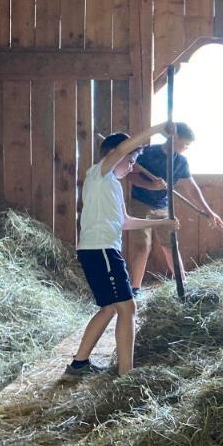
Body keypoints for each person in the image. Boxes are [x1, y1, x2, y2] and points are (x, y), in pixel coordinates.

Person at [66, 126, 180, 379]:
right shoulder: (99, 175)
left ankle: (78, 364)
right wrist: (160, 128)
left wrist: (161, 223)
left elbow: (126, 222)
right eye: (131, 161)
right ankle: (126, 374)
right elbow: (122, 148)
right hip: (101, 250)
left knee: (109, 308)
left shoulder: (114, 187)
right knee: (127, 308)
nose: (132, 166)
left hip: (101, 251)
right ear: (115, 157)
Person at [126, 121, 223, 292]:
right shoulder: (148, 153)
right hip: (141, 204)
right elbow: (131, 175)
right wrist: (150, 185)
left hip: (164, 206)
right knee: (143, 246)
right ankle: (135, 290)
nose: (186, 147)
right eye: (185, 143)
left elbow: (192, 189)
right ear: (174, 138)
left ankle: (183, 285)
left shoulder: (180, 162)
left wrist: (209, 212)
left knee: (170, 245)